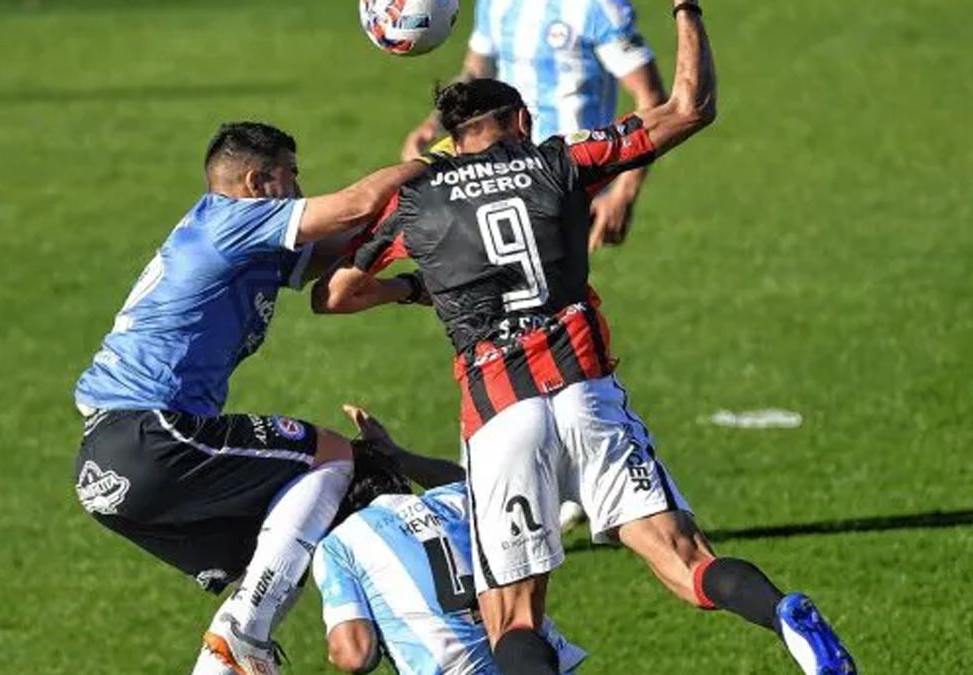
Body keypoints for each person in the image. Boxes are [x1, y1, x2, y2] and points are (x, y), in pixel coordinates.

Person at [312, 3, 858, 675]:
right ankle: (783, 614)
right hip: (586, 393)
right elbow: (690, 105)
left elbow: (332, 294)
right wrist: (687, 9)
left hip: (497, 412)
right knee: (686, 559)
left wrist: (414, 291)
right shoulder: (559, 163)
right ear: (517, 123)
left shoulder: (418, 200)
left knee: (513, 618)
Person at [70, 121, 425, 675]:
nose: (302, 190)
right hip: (152, 433)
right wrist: (443, 163)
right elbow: (356, 207)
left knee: (298, 530)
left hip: (109, 461)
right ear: (260, 182)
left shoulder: (246, 242)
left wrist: (412, 263)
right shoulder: (228, 221)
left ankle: (233, 649)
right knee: (331, 455)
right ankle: (246, 631)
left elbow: (344, 249)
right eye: (293, 177)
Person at [313, 406, 589, 674]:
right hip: (531, 657)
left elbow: (356, 655)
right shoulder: (451, 499)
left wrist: (337, 646)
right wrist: (398, 455)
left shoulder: (338, 545)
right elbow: (475, 483)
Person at [401, 0, 667, 251]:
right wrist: (433, 123)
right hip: (500, 171)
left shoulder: (596, 7)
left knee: (537, 288)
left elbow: (650, 97)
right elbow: (476, 71)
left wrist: (624, 193)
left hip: (568, 179)